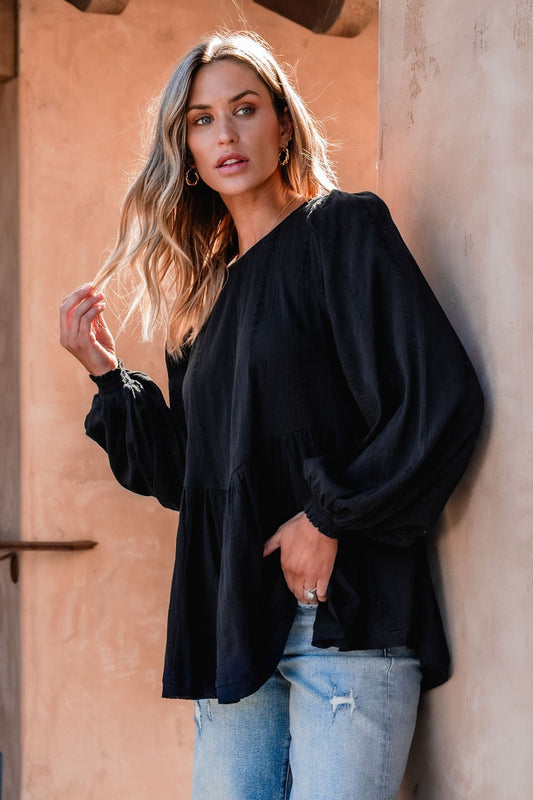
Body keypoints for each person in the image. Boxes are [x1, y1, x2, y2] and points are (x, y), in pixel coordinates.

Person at [59, 30, 484, 800]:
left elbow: (440, 396)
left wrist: (328, 517)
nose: (225, 135)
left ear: (282, 123)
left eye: (244, 109)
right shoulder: (202, 304)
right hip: (232, 633)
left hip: (341, 625)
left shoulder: (342, 231)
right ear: (184, 150)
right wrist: (103, 371)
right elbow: (189, 475)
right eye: (201, 120)